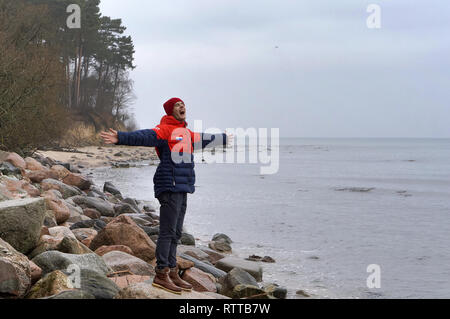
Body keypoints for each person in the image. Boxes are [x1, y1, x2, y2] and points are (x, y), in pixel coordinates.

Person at [100, 98, 231, 294]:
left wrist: (223, 138)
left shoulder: (186, 133)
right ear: (171, 111)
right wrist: (122, 137)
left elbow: (205, 138)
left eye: (184, 104)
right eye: (178, 105)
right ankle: (161, 274)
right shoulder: (166, 129)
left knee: (177, 232)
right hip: (169, 184)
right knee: (167, 232)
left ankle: (172, 271)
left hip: (182, 186)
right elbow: (145, 136)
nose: (182, 107)